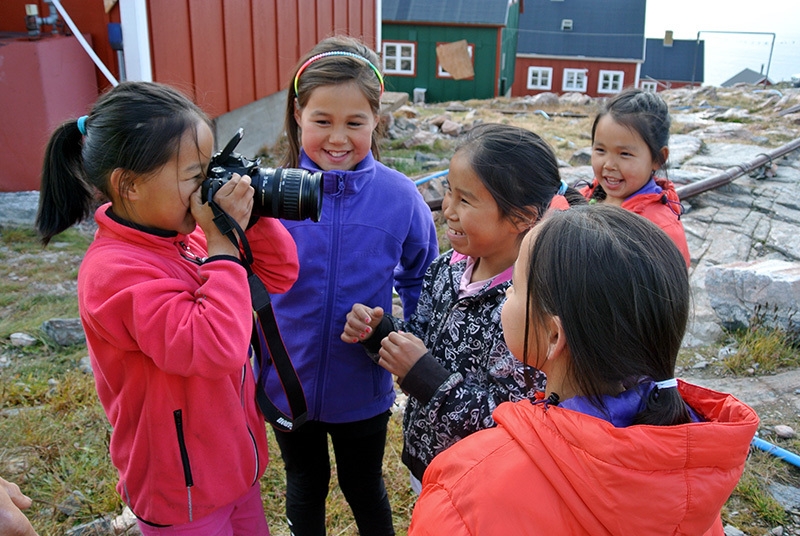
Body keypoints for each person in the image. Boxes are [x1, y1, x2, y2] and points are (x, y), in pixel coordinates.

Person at [35, 81, 299, 534]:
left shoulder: (188, 237)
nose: (208, 188)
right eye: (196, 177)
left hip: (235, 466)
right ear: (129, 185)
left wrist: (248, 220)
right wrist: (222, 246)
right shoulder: (114, 274)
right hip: (182, 492)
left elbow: (280, 273)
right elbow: (213, 348)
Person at [407, 205, 759, 536]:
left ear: (554, 335)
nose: (507, 294)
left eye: (515, 286)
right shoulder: (690, 470)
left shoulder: (466, 485)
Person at [342, 123, 585, 490]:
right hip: (427, 457)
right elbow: (423, 333)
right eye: (448, 193)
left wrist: (422, 375)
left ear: (521, 217)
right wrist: (382, 334)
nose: (448, 211)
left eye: (465, 200)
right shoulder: (447, 266)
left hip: (482, 479)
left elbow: (512, 418)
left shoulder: (530, 306)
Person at [263, 35, 439, 536]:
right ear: (298, 114)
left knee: (363, 486)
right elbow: (240, 275)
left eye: (354, 123)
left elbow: (422, 276)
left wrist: (397, 330)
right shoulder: (269, 197)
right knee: (305, 480)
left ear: (375, 121)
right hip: (285, 380)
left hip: (362, 386)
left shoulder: (400, 198)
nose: (337, 138)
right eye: (322, 121)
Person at [580, 87, 691, 267]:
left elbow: (668, 292)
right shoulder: (584, 197)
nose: (609, 164)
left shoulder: (661, 232)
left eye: (624, 154)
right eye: (600, 150)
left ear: (658, 159)